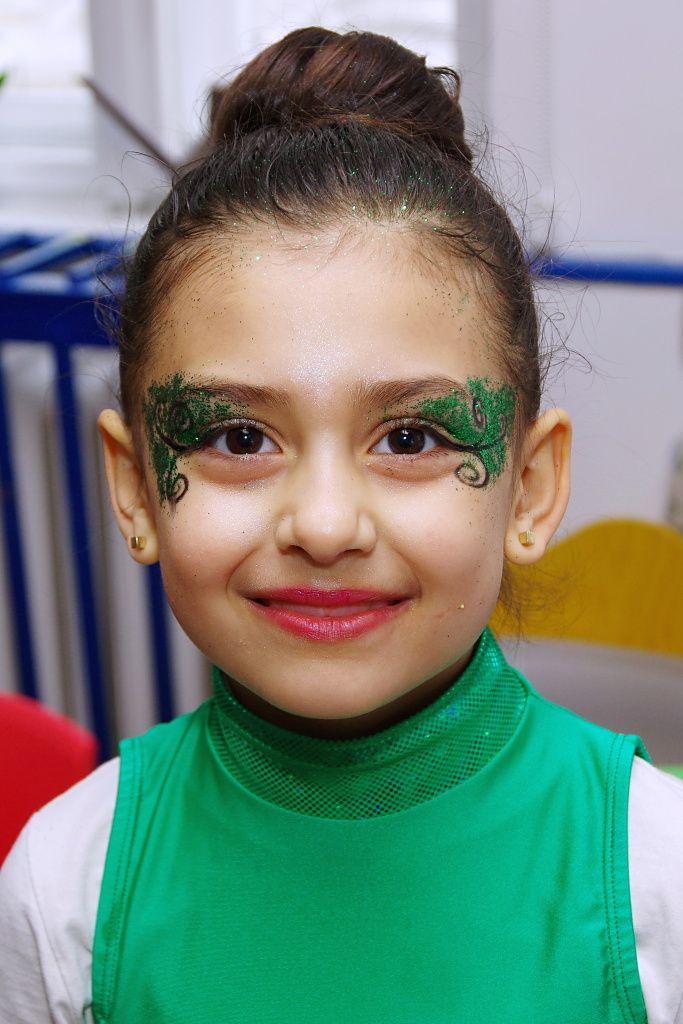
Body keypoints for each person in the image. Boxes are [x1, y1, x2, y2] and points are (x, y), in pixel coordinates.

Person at [1, 25, 682, 1024]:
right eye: (238, 436)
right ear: (137, 487)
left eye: (409, 437)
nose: (323, 525)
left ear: (530, 489)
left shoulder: (656, 879)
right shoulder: (65, 886)